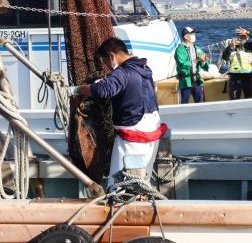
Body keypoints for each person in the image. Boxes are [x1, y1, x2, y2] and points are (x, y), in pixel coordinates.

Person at [67, 37, 167, 185]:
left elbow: (103, 90)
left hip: (132, 142)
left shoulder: (122, 72)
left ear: (111, 56)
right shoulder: (144, 69)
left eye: (105, 62)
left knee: (119, 189)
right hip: (152, 138)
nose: (107, 67)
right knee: (141, 185)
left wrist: (78, 89)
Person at [221, 26, 252, 99]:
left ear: (247, 37)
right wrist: (230, 47)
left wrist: (248, 32)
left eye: (244, 36)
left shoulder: (250, 46)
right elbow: (225, 58)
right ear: (237, 37)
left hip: (247, 75)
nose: (242, 38)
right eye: (240, 36)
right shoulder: (232, 47)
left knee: (248, 96)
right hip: (234, 76)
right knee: (234, 97)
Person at [174, 26, 209, 104]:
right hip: (186, 81)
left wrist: (204, 60)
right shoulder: (180, 49)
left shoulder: (196, 48)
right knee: (185, 103)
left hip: (197, 81)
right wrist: (197, 60)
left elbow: (204, 62)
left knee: (200, 102)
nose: (194, 35)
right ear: (186, 36)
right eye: (192, 34)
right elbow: (183, 64)